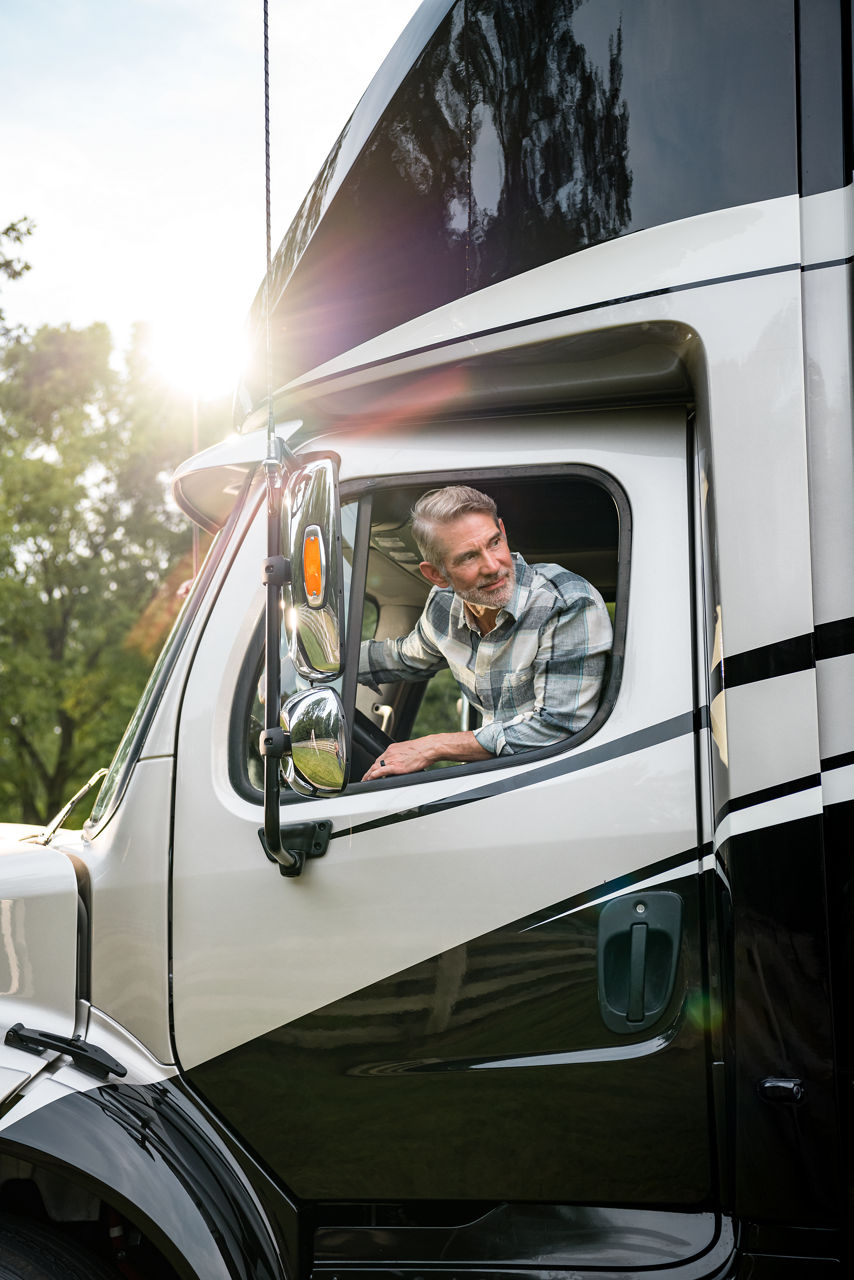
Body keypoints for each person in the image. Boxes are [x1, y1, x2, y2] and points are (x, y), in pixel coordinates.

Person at [359, 485, 613, 780]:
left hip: (562, 785)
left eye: (494, 543)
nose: (493, 566)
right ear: (437, 574)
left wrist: (433, 746)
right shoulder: (443, 606)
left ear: (503, 532)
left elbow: (558, 727)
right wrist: (325, 660)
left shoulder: (566, 601)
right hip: (489, 786)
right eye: (468, 557)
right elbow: (404, 656)